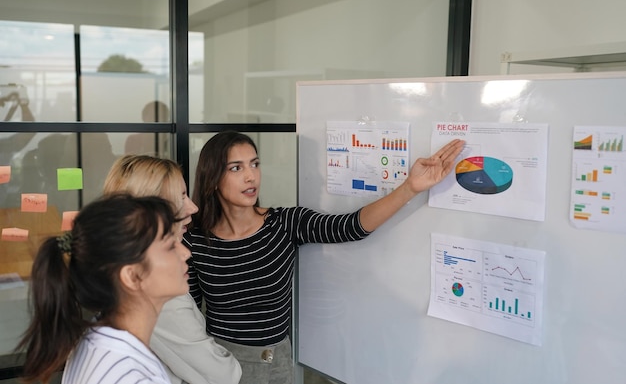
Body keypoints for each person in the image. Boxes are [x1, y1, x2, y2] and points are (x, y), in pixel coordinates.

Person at [183, 131, 465, 384]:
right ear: (213, 178)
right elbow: (188, 314)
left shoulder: (284, 222)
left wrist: (410, 187)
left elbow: (351, 226)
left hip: (278, 361)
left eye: (254, 164)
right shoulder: (193, 240)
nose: (251, 176)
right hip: (221, 364)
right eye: (236, 168)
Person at [16, 194, 190, 384]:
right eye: (170, 246)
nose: (185, 253)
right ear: (132, 276)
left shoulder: (96, 338)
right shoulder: (132, 378)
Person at [103, 154, 242, 384]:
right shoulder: (155, 288)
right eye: (181, 197)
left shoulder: (119, 265)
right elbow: (223, 375)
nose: (193, 207)